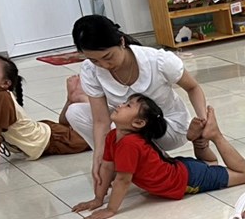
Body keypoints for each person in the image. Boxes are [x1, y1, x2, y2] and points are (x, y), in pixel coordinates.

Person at [67, 15, 215, 191]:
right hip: (132, 126)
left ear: (121, 42)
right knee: (75, 113)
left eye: (108, 57)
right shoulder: (91, 70)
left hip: (167, 127)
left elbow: (193, 87)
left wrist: (203, 120)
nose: (104, 65)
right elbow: (101, 120)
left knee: (126, 131)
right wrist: (99, 156)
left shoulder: (158, 60)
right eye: (95, 60)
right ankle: (126, 163)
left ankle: (152, 162)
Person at [71, 97, 245, 219]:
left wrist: (110, 209)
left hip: (187, 178)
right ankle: (198, 140)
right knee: (211, 165)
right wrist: (98, 198)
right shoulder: (113, 136)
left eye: (128, 106)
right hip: (180, 168)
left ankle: (215, 135)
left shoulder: (129, 144)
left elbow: (123, 180)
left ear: (138, 123)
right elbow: (106, 167)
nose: (120, 105)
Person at [0, 54, 88, 181]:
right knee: (71, 128)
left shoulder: (2, 97)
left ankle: (81, 101)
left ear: (5, 83)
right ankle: (71, 101)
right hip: (41, 133)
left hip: (53, 140)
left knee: (92, 138)